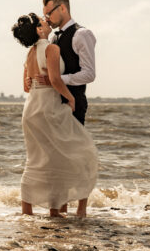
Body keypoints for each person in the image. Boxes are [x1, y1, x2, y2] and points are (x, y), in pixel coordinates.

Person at [12, 12, 98, 217]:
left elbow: (26, 86)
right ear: (39, 30)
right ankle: (55, 210)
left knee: (35, 159)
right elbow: (55, 80)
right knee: (78, 153)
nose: (47, 21)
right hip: (47, 108)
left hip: (30, 108)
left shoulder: (30, 53)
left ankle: (28, 211)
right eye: (43, 21)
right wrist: (70, 99)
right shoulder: (51, 48)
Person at [30, 0, 96, 126]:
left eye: (49, 14)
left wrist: (57, 80)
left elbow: (89, 74)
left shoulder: (82, 34)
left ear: (62, 8)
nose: (47, 19)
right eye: (45, 15)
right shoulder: (53, 38)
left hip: (73, 107)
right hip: (52, 106)